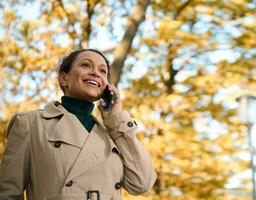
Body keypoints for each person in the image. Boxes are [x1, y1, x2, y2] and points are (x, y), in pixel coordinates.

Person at [0, 49, 157, 200]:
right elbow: (8, 193)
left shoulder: (113, 134)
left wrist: (116, 120)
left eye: (103, 71)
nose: (96, 73)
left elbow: (142, 183)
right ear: (64, 78)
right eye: (86, 65)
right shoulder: (30, 123)